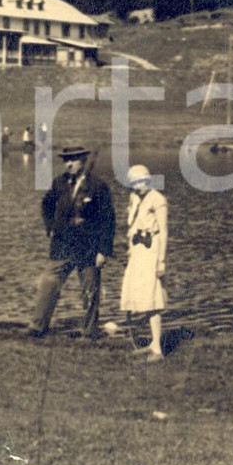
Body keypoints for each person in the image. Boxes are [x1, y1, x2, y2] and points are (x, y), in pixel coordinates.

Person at [28, 145, 115, 338]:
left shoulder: (97, 186)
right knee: (48, 284)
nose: (69, 164)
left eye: (73, 160)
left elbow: (108, 220)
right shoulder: (59, 183)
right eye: (66, 160)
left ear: (83, 161)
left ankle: (89, 331)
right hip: (62, 245)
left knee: (91, 290)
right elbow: (47, 205)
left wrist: (103, 250)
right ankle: (37, 327)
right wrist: (50, 227)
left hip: (88, 247)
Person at [120, 164, 168, 361]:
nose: (139, 186)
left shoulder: (158, 199)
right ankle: (152, 343)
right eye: (135, 182)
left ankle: (158, 349)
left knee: (153, 296)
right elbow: (132, 225)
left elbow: (163, 231)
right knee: (140, 295)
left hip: (152, 249)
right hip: (138, 250)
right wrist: (130, 248)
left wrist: (161, 262)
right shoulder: (134, 199)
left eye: (142, 181)